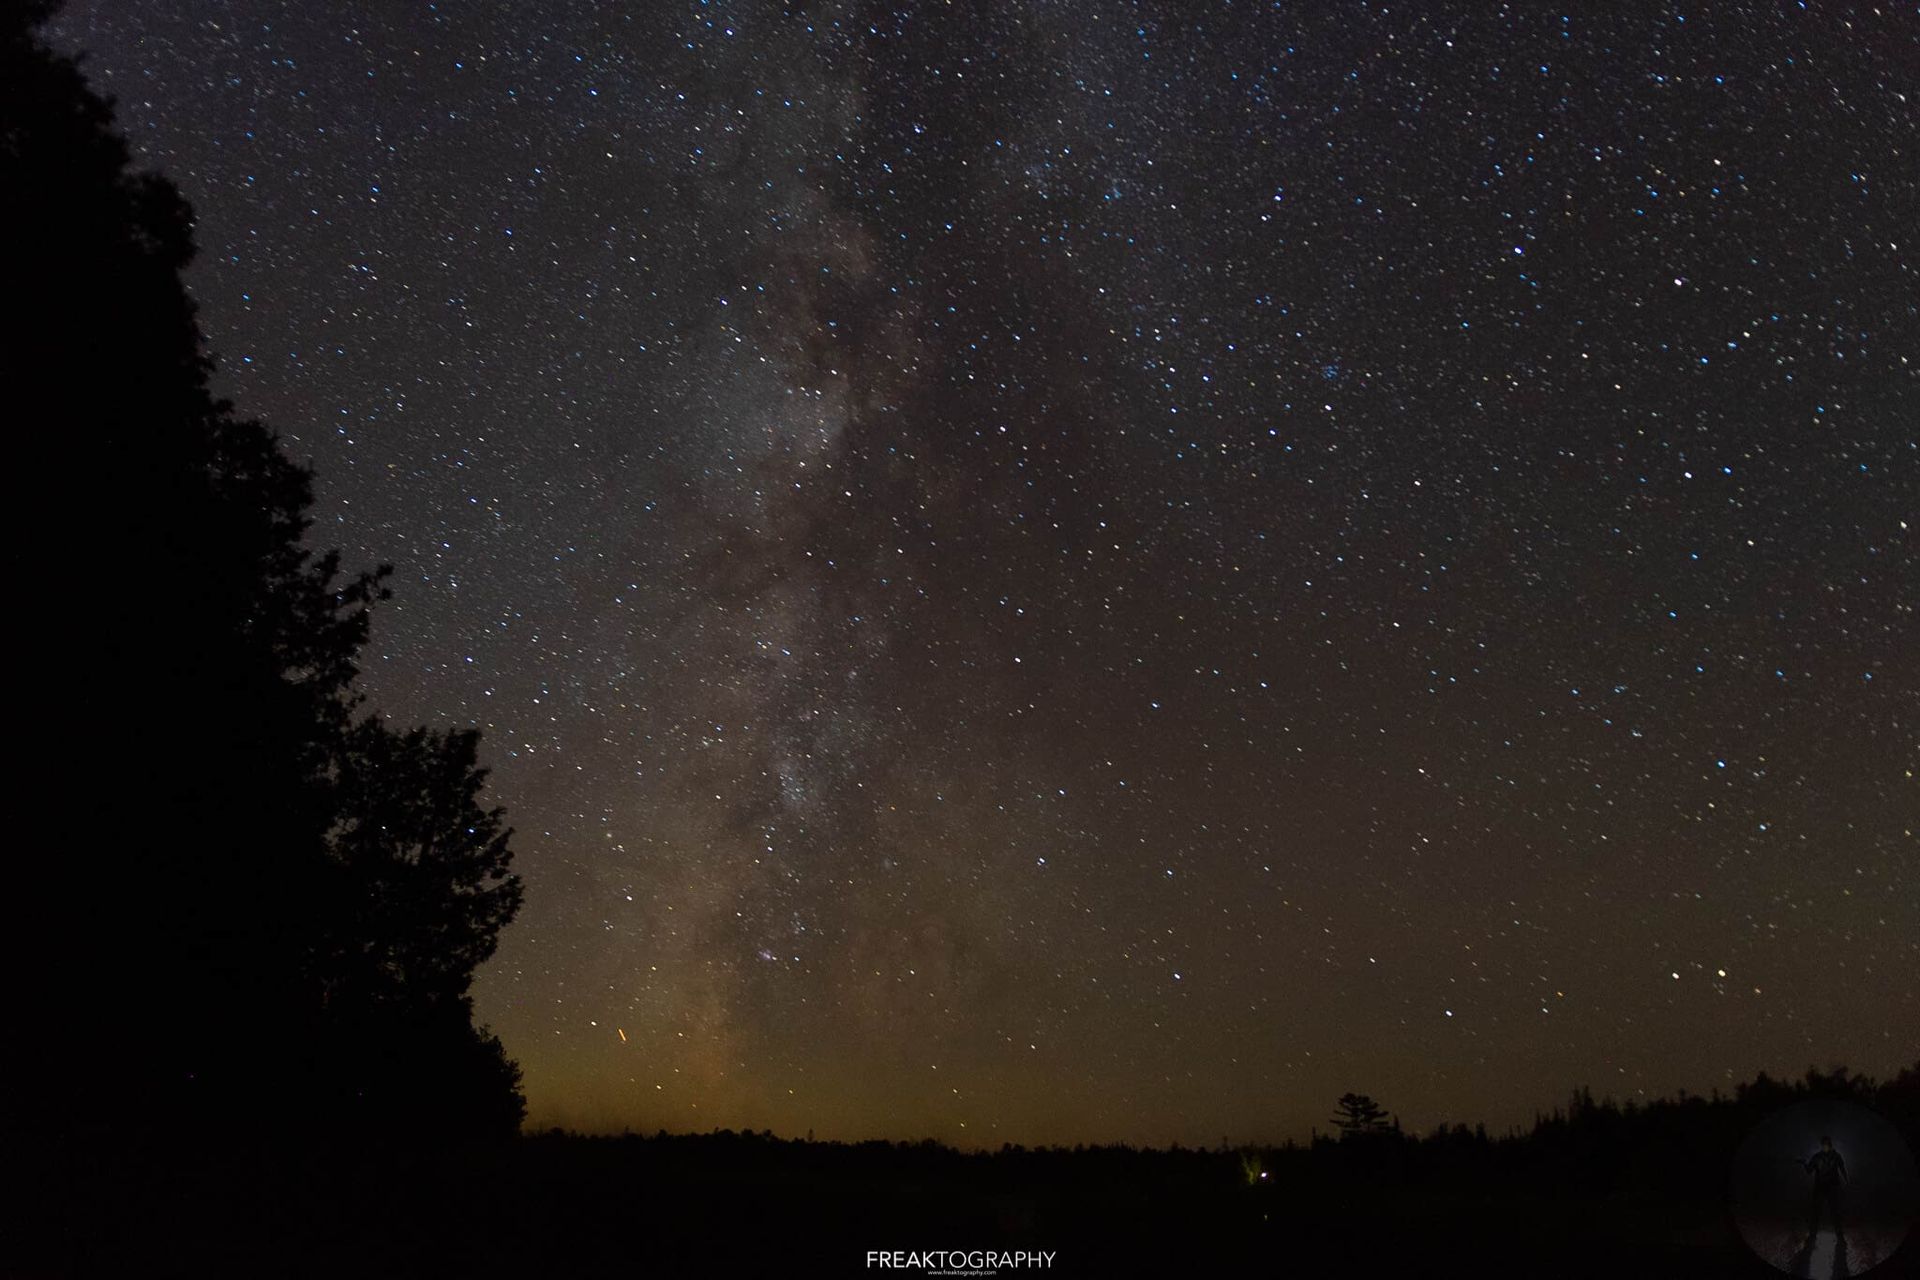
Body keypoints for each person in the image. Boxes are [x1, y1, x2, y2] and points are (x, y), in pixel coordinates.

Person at [1800, 1135, 1847, 1242]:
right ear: (1822, 1145)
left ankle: (1839, 1233)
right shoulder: (1817, 1156)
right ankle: (1813, 1233)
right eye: (1824, 1144)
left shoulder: (1835, 1156)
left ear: (1830, 1145)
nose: (1825, 1146)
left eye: (1827, 1144)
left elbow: (1842, 1168)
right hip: (1820, 1187)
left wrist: (1846, 1180)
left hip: (1832, 1187)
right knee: (1817, 1210)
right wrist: (1804, 1163)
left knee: (1834, 1210)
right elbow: (1809, 1170)